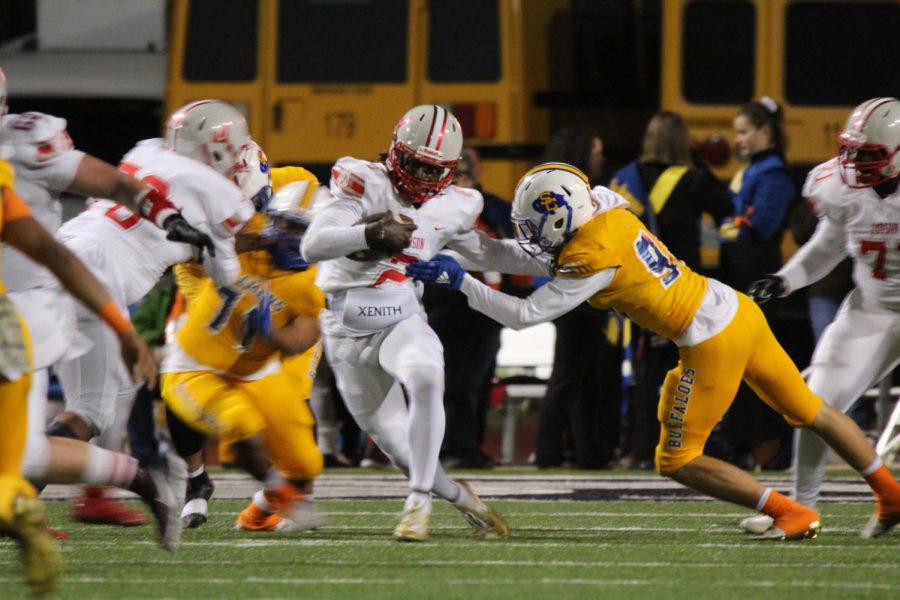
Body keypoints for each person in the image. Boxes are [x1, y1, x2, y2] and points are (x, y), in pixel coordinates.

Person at [408, 161, 900, 541]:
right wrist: (460, 244)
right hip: (734, 307)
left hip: (709, 337)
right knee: (811, 409)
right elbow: (518, 252)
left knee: (677, 458)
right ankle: (890, 493)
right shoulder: (601, 207)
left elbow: (524, 315)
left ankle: (790, 512)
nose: (533, 238)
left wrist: (461, 282)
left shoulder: (591, 256)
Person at [301, 104, 542, 541]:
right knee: (403, 451)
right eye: (414, 165)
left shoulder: (455, 205)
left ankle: (417, 504)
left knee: (428, 375)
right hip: (344, 329)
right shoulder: (363, 182)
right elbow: (312, 246)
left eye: (434, 171)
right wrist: (368, 234)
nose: (422, 178)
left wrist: (559, 258)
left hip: (400, 315)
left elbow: (489, 253)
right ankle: (462, 499)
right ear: (395, 153)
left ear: (451, 172)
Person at [0, 69, 206, 535]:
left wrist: (123, 327)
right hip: (36, 303)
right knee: (49, 434)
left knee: (21, 450)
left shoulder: (16, 159)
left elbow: (60, 249)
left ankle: (121, 481)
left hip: (19, 317)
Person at [37, 99, 254, 524]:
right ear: (220, 148)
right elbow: (225, 274)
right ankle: (19, 502)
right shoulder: (222, 194)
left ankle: (88, 495)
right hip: (95, 276)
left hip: (60, 253)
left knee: (107, 394)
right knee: (89, 410)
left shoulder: (146, 150)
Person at [739, 97, 900, 535]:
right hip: (874, 307)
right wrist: (785, 280)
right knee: (813, 405)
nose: (853, 165)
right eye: (850, 151)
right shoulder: (841, 186)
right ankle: (799, 510)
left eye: (867, 156)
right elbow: (828, 245)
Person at [0, 157, 158, 594]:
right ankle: (17, 506)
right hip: (7, 324)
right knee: (17, 457)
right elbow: (55, 254)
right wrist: (121, 326)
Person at [162, 155, 328, 533]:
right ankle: (196, 478)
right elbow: (196, 263)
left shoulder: (297, 185)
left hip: (289, 302)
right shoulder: (196, 211)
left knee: (296, 403)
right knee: (197, 373)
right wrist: (234, 251)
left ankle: (291, 497)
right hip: (221, 294)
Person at [610, 111, 733, 469]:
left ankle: (644, 447)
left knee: (646, 369)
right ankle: (687, 444)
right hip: (679, 286)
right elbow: (727, 205)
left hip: (635, 286)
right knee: (691, 366)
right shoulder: (692, 179)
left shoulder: (623, 180)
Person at [717, 97, 797, 470]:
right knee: (740, 364)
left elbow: (759, 226)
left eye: (745, 131)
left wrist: (729, 227)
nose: (740, 139)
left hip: (758, 281)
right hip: (741, 280)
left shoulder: (774, 176)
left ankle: (770, 442)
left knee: (758, 367)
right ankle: (746, 441)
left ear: (766, 132)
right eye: (738, 132)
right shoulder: (752, 170)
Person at [534, 126, 618, 469]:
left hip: (580, 292)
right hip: (572, 292)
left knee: (582, 380)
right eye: (596, 152)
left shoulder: (565, 188)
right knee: (569, 378)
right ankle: (548, 453)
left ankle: (588, 454)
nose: (601, 159)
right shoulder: (566, 194)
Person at [423, 147, 506, 469]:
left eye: (464, 176)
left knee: (481, 380)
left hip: (487, 310)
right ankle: (453, 446)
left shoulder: (493, 208)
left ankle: (471, 445)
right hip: (449, 306)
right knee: (454, 381)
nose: (460, 183)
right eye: (455, 176)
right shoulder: (435, 209)